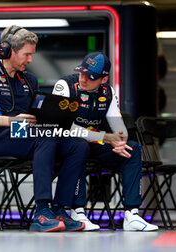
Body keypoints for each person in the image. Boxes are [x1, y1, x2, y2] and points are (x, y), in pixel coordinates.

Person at [0, 25, 89, 232]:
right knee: (46, 137)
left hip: (29, 134)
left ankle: (60, 209)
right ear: (9, 51)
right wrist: (13, 121)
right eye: (27, 54)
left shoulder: (30, 79)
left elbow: (38, 116)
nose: (30, 60)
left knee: (78, 145)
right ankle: (42, 211)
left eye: (32, 55)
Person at [52, 51, 159, 231]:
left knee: (131, 149)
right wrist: (105, 137)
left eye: (90, 76)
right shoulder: (65, 86)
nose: (83, 79)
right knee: (78, 147)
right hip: (63, 145)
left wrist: (119, 141)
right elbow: (63, 127)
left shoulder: (108, 92)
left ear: (103, 79)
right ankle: (76, 211)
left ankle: (131, 215)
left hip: (93, 143)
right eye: (81, 72)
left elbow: (118, 125)